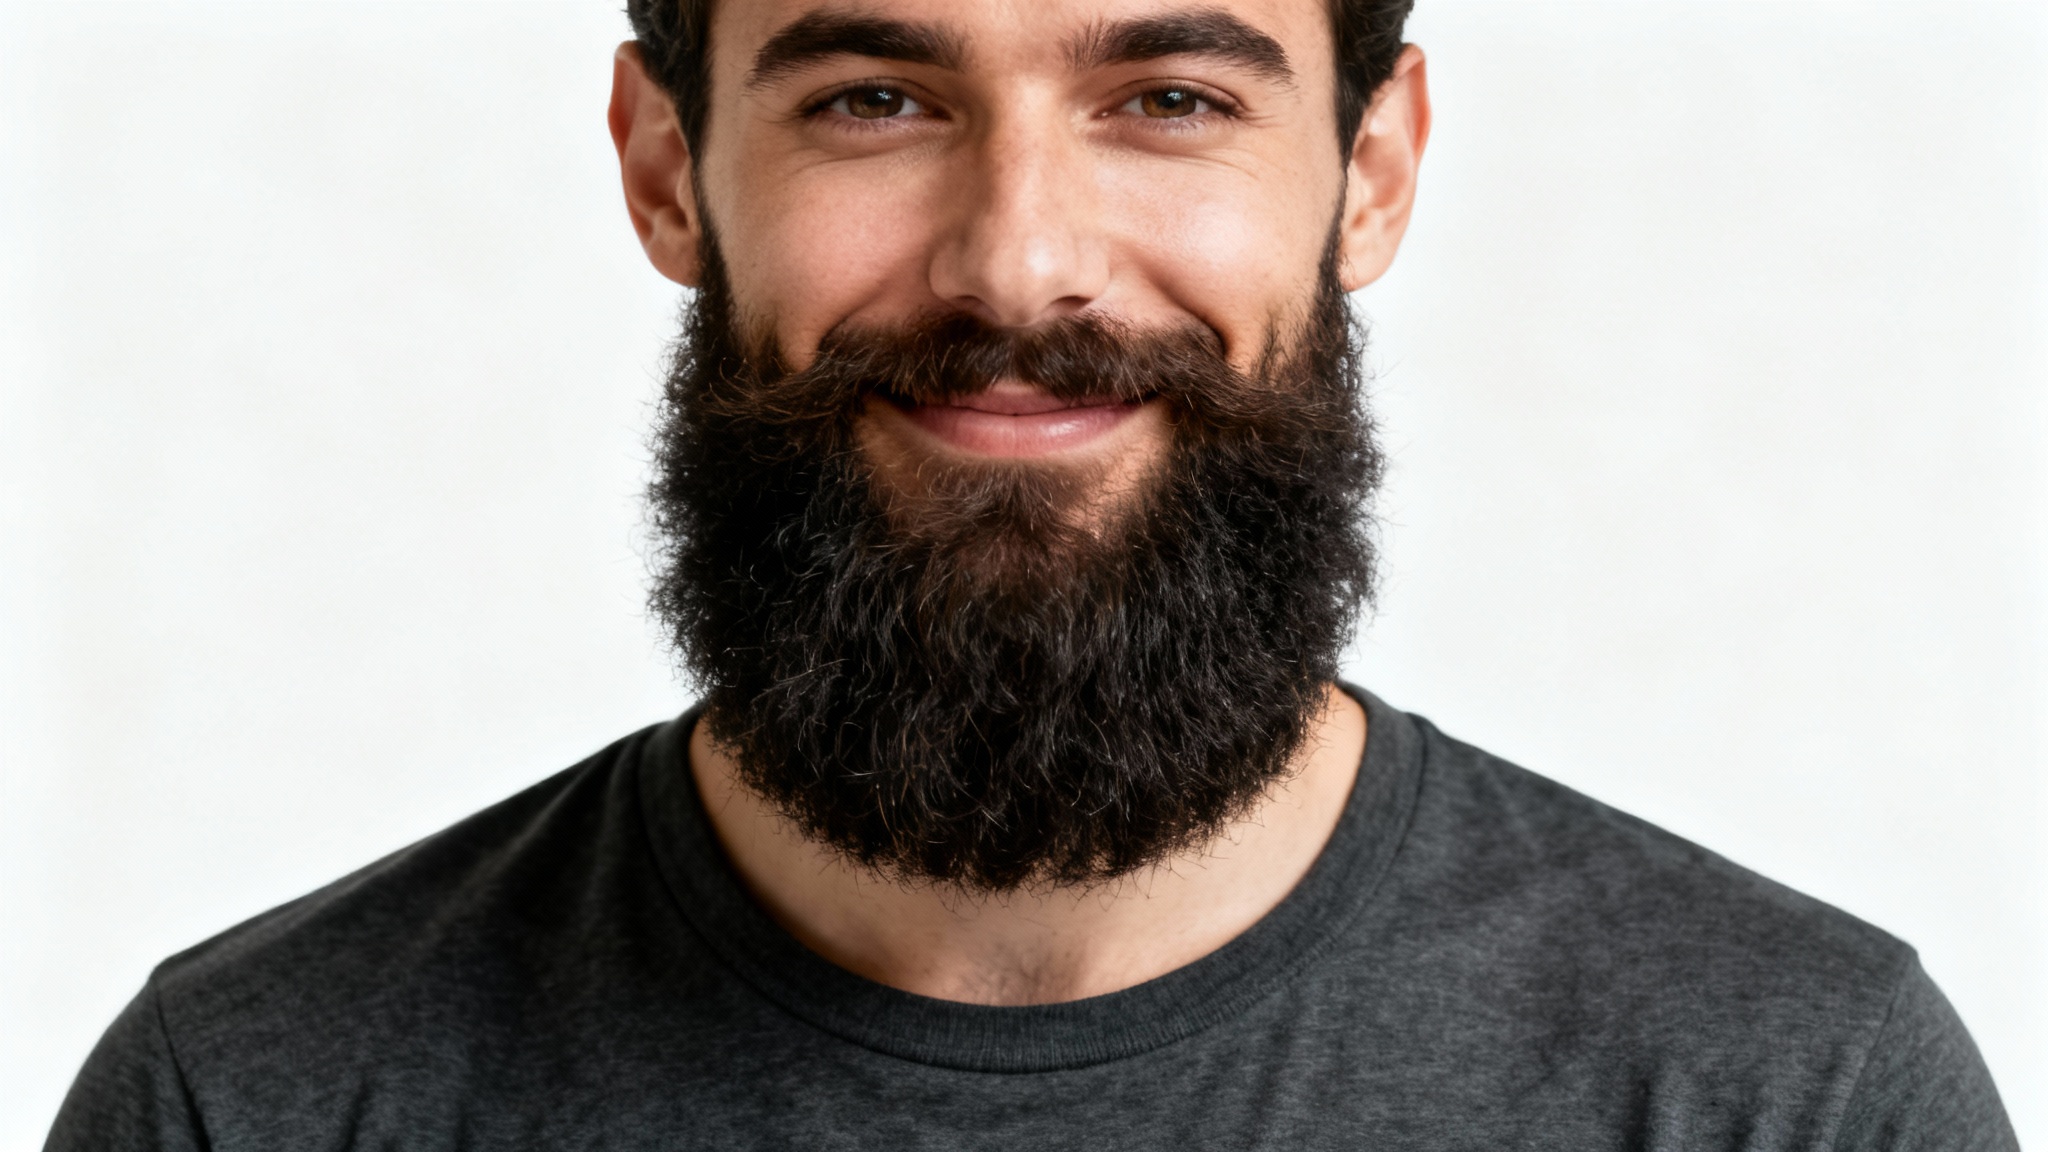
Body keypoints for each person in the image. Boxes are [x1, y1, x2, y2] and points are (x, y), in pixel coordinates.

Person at [45, 0, 2018, 1146]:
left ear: (1371, 167)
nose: (1018, 263)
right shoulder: (257, 1104)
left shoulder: (1790, 1099)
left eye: (1168, 100)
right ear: (664, 165)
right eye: (870, 101)